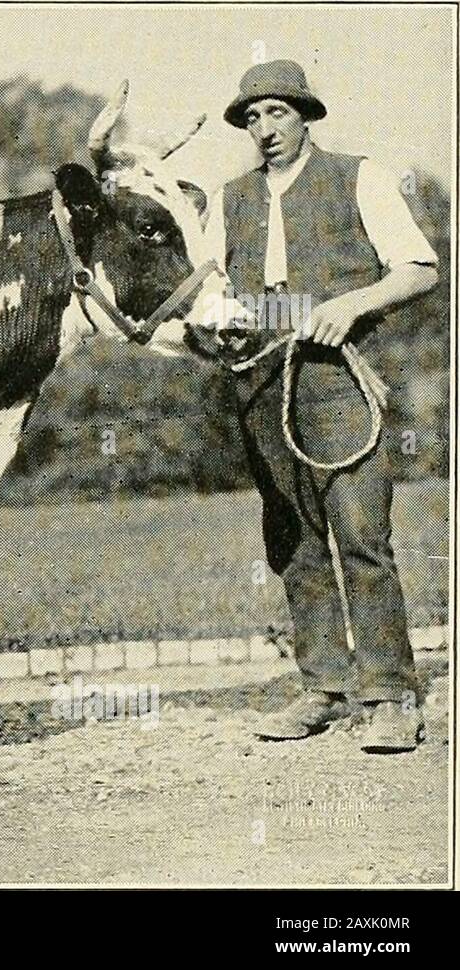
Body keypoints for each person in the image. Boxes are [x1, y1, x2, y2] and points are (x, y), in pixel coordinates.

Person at [201, 60, 438, 751]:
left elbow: (420, 268)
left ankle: (392, 694)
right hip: (260, 383)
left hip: (337, 379)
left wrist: (349, 305)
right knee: (292, 538)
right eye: (251, 118)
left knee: (361, 534)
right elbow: (210, 288)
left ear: (305, 115)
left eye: (276, 113)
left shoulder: (358, 177)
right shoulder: (230, 198)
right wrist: (223, 319)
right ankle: (324, 687)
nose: (264, 129)